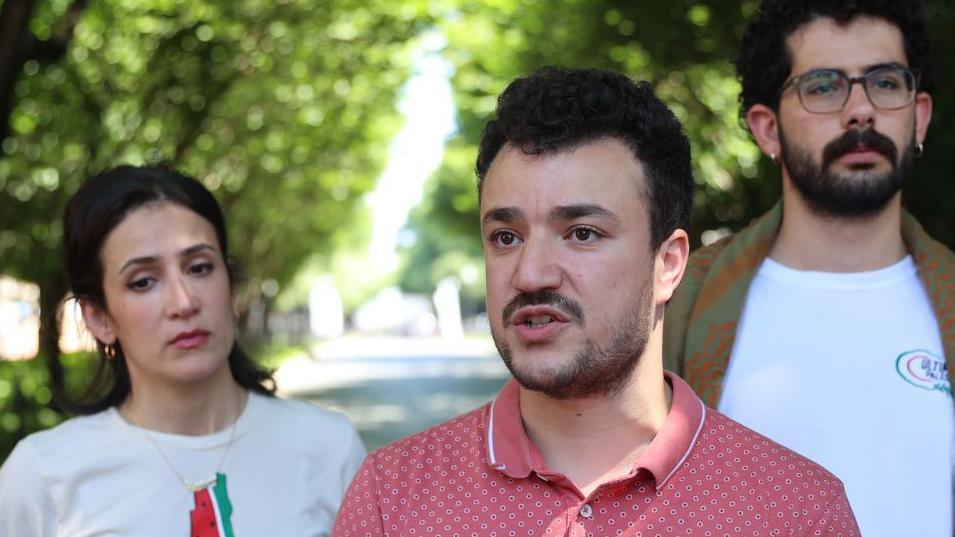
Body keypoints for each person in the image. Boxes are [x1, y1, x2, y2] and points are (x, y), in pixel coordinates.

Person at [333, 66, 860, 536]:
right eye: (506, 237)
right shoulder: (392, 500)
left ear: (668, 264)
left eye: (582, 233)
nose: (530, 273)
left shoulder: (796, 512)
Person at [662, 1, 953, 536]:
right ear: (767, 130)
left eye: (886, 83)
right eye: (823, 87)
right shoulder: (676, 304)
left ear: (921, 116)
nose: (861, 111)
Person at [0, 165, 366, 536]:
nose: (183, 301)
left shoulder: (329, 448)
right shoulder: (43, 477)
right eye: (143, 282)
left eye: (200, 268)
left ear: (231, 286)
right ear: (98, 318)